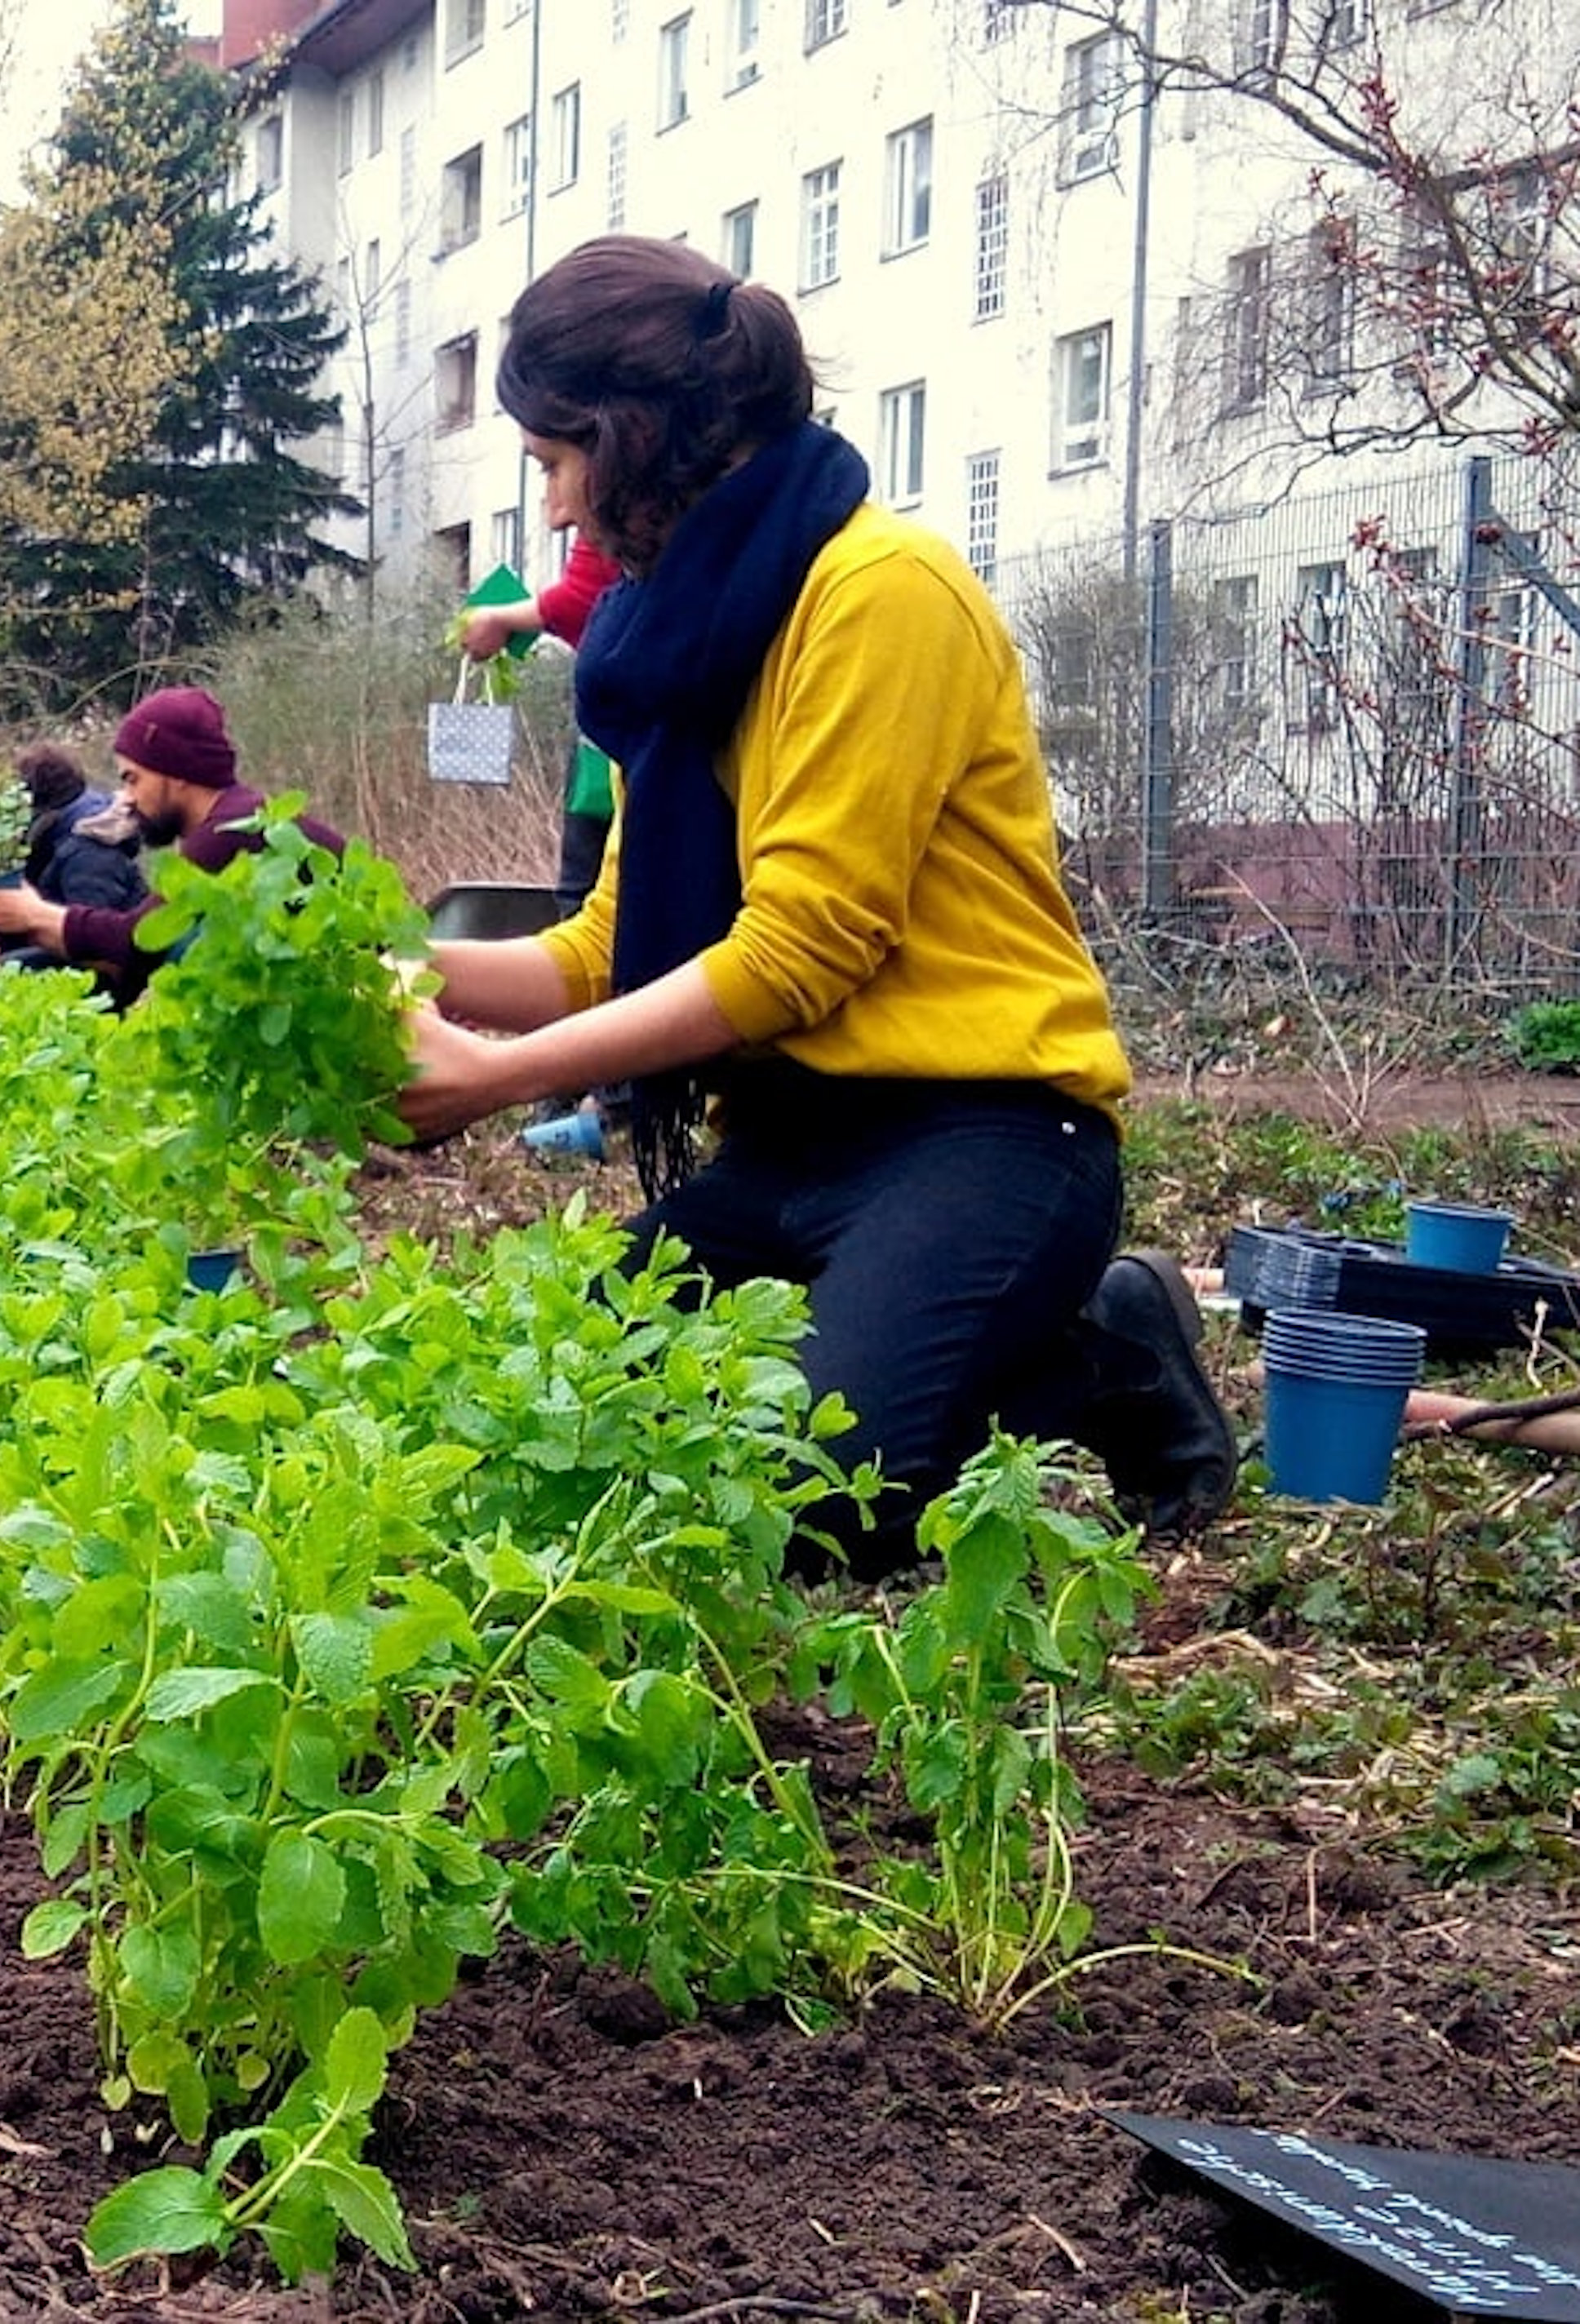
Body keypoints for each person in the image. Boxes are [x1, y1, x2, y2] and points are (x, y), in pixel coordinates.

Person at [392, 235, 1232, 1569]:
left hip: (984, 1132)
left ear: (636, 438)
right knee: (570, 1429)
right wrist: (394, 971)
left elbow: (800, 951)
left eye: (554, 461)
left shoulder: (876, 592)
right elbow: (614, 945)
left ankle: (1106, 1354)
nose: (552, 511)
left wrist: (496, 1079)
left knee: (806, 1506)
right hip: (783, 1144)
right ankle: (1016, 1335)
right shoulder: (689, 631)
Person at [0, 685, 341, 1010]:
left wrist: (34, 914)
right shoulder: (237, 816)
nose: (127, 798)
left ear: (177, 774)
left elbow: (139, 939)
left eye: (134, 779)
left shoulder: (228, 831)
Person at [463, 534, 627, 911]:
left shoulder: (610, 489)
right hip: (618, 730)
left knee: (583, 894)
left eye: (554, 471)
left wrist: (499, 617)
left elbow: (580, 600)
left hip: (614, 732)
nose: (557, 517)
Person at [0, 743, 150, 986]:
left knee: (14, 969)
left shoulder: (91, 851)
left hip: (100, 978)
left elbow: (98, 949)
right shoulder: (54, 835)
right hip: (66, 954)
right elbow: (19, 887)